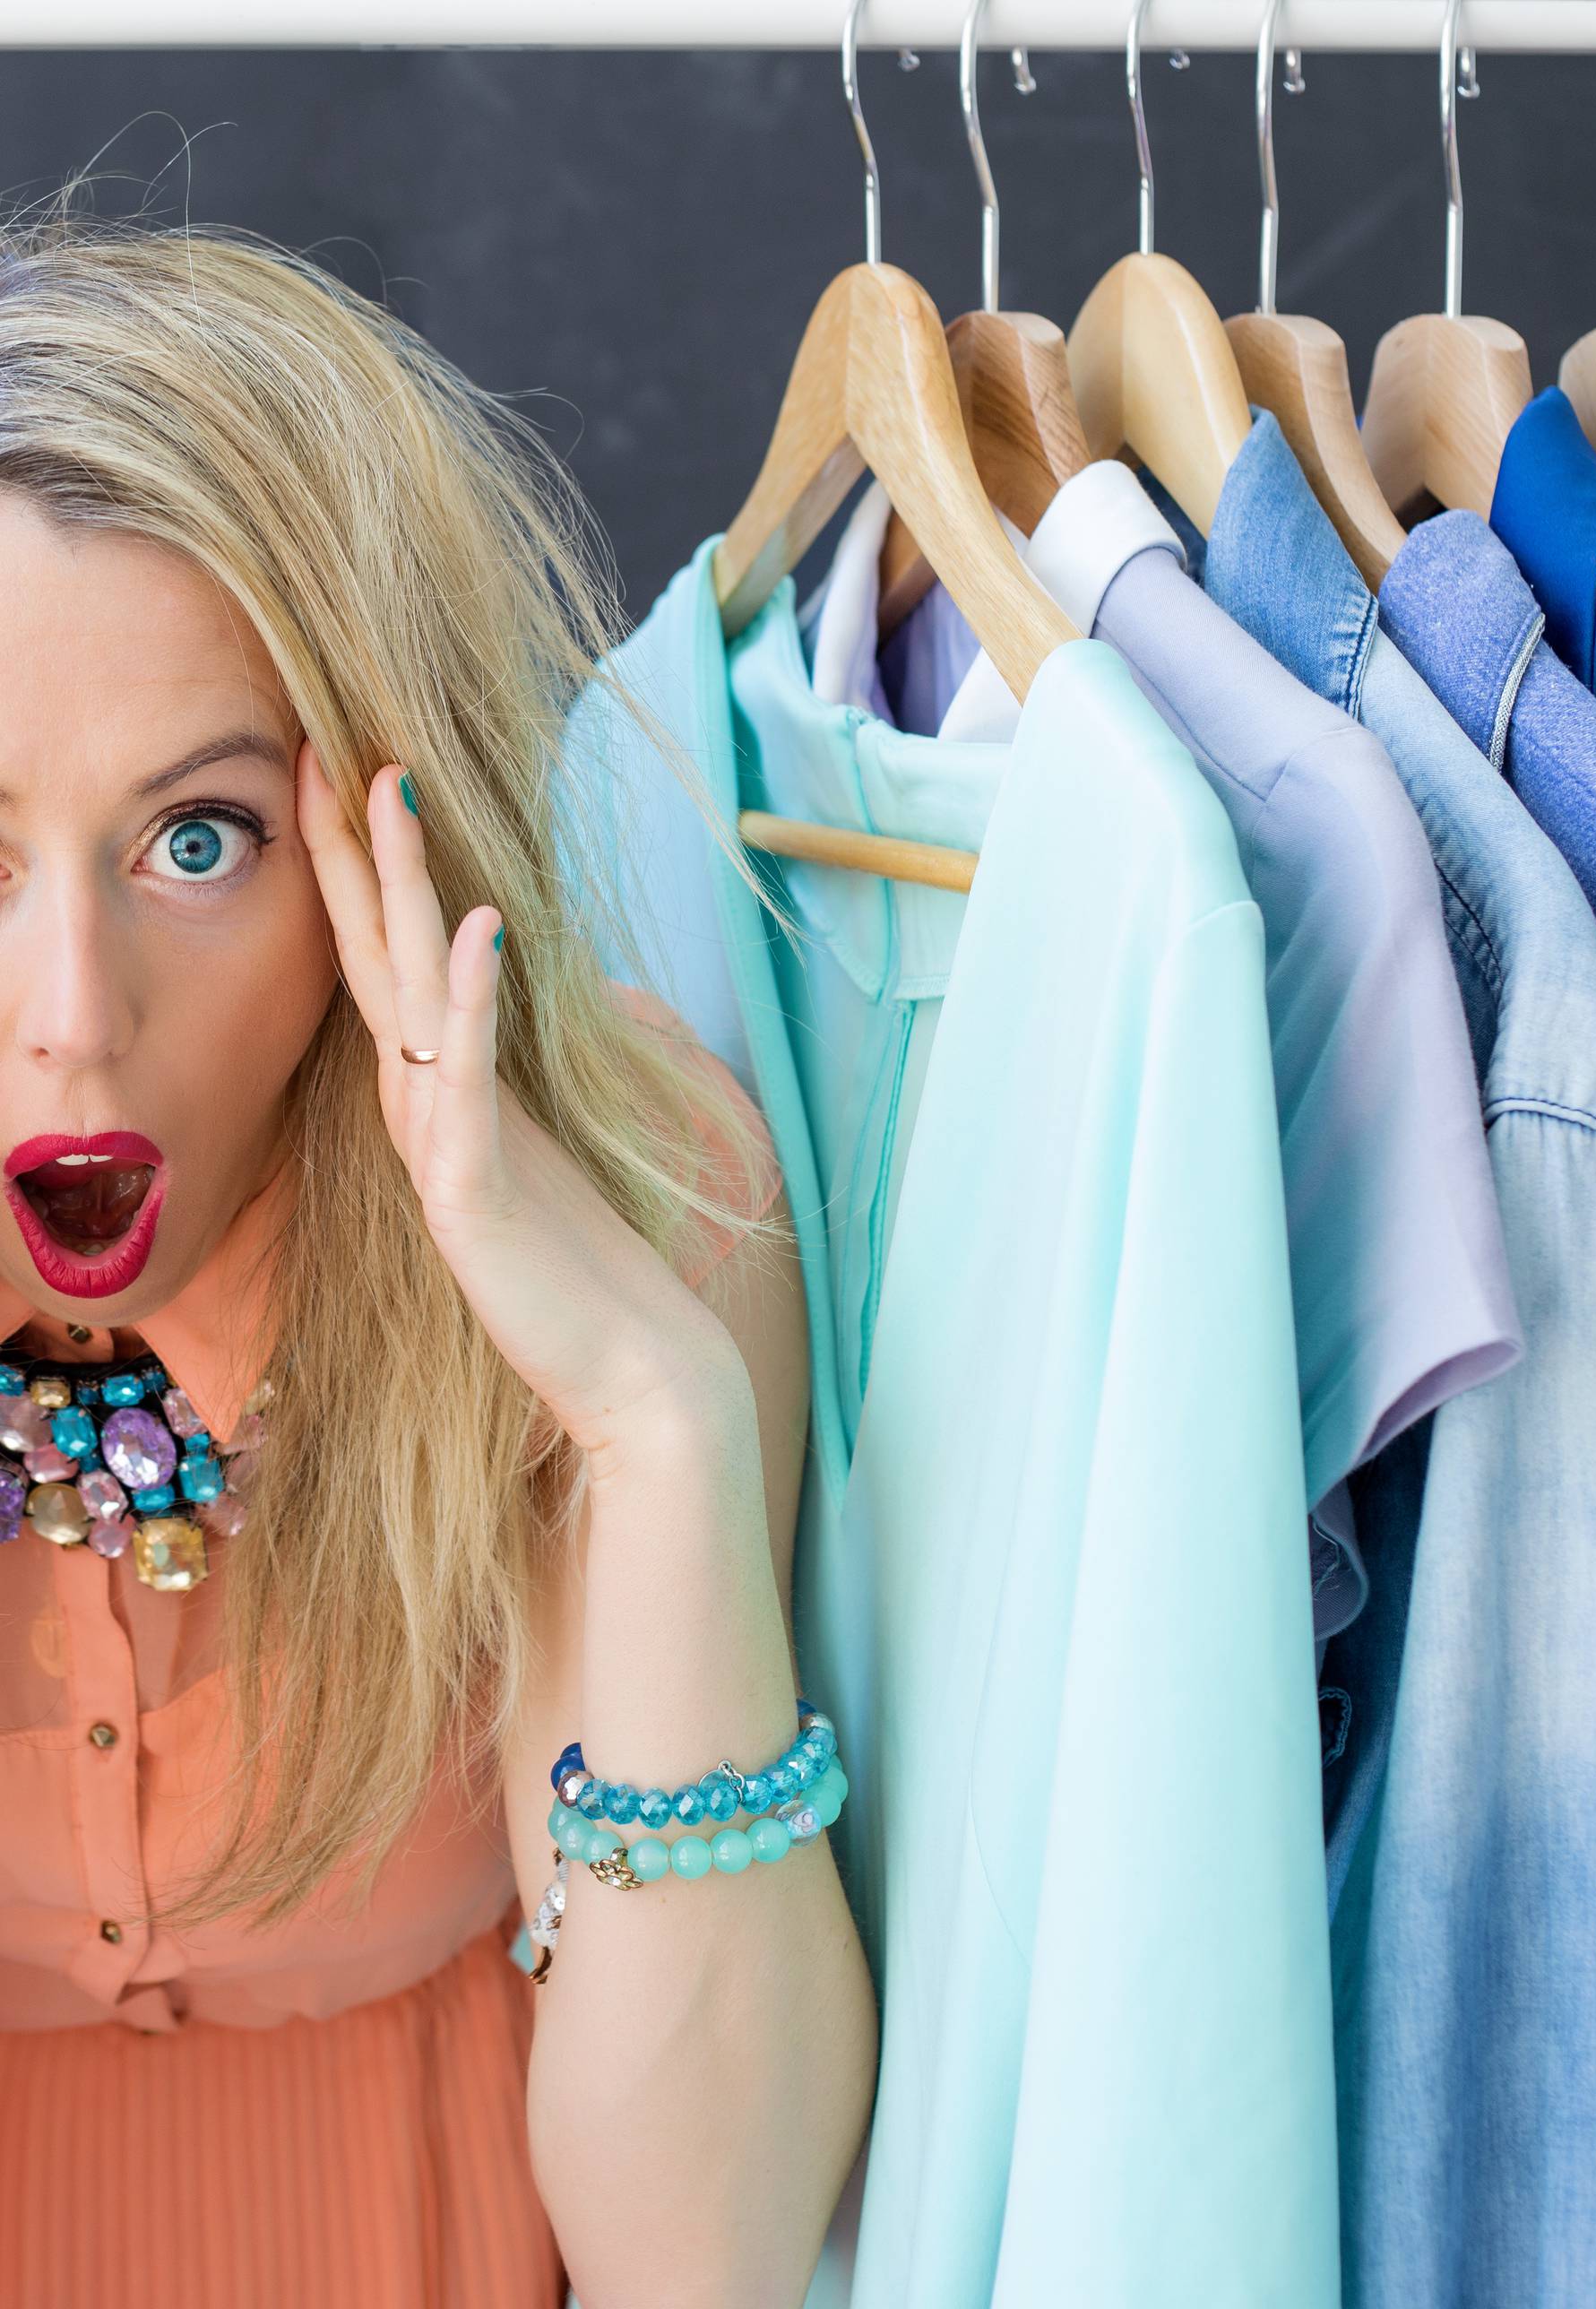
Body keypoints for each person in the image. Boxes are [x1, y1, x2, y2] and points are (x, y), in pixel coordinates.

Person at [0, 194, 877, 2308]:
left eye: (195, 842)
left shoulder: (629, 1189)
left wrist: (655, 1423)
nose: (72, 1015)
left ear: (384, 840)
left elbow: (711, 2256)